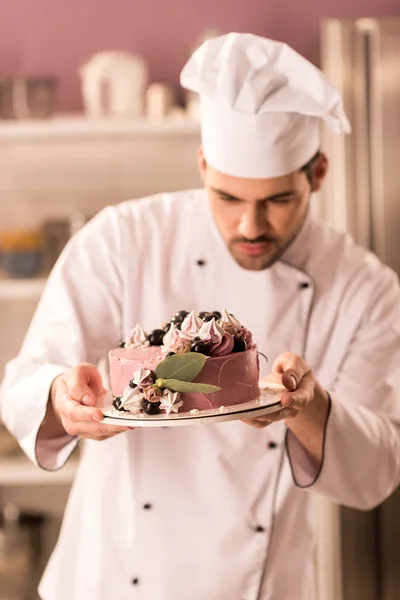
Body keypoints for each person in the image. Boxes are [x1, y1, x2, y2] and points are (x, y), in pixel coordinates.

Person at [1, 32, 400, 600]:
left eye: (278, 201)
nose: (250, 227)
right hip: (113, 580)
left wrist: (308, 409)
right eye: (228, 198)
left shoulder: (364, 287)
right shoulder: (123, 238)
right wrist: (63, 401)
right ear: (203, 164)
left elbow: (378, 470)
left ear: (317, 174)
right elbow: (25, 378)